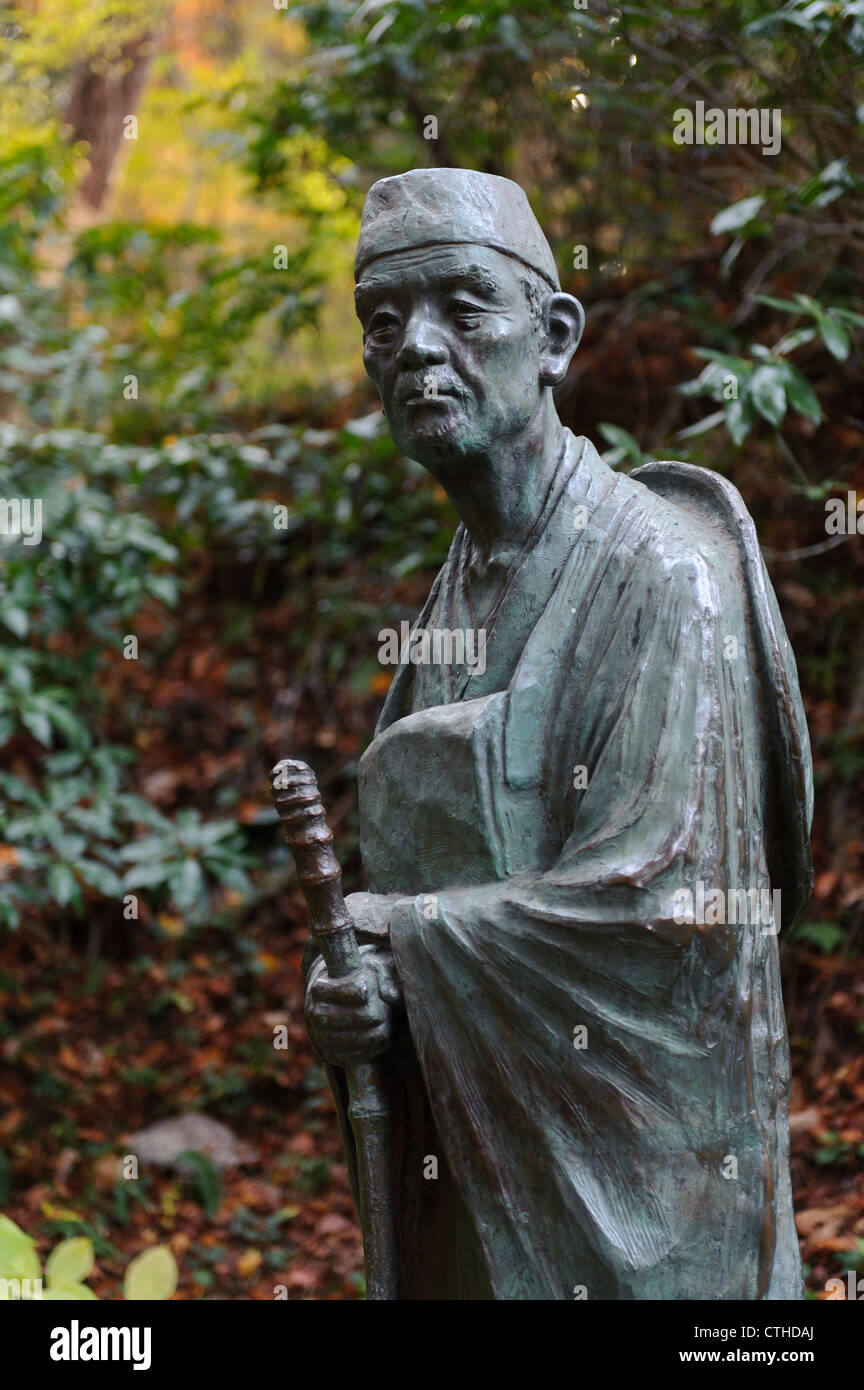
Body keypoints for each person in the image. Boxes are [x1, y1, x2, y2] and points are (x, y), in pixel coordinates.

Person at [304, 168, 813, 1300]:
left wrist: (402, 938)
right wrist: (355, 990)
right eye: (382, 323)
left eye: (463, 305)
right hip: (482, 1177)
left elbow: (665, 915)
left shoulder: (660, 575)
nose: (417, 348)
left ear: (554, 335)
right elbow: (409, 875)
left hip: (641, 1188)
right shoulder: (450, 595)